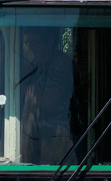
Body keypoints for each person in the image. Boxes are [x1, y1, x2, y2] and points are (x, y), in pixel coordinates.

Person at [19, 28, 74, 164]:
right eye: (28, 42)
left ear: (48, 42)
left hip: (54, 136)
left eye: (35, 43)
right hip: (32, 132)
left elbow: (50, 101)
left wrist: (24, 89)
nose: (31, 47)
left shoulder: (59, 62)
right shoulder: (35, 63)